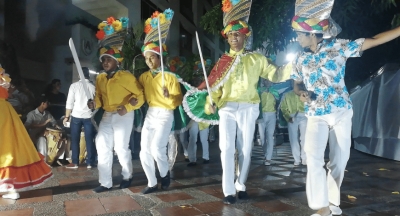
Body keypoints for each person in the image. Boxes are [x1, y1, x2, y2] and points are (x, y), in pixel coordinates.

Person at [290, 0, 400, 215]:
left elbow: (376, 40)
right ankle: (321, 208)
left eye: (299, 33)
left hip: (340, 111)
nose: (297, 38)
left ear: (312, 33)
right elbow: (296, 83)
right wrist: (301, 93)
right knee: (313, 156)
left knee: (340, 162)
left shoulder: (338, 47)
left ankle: (332, 201)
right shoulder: (300, 58)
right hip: (316, 113)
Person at [183, 0, 290, 205]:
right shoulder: (223, 61)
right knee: (226, 147)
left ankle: (241, 184)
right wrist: (210, 102)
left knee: (246, 149)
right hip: (227, 108)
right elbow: (215, 87)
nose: (233, 37)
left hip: (249, 107)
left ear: (244, 36)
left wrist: (293, 66)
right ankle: (228, 190)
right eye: (230, 34)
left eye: (237, 34)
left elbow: (275, 74)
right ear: (227, 38)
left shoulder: (257, 59)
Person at [88, 16, 144, 193]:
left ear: (117, 61)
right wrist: (93, 103)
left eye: (108, 60)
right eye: (103, 60)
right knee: (102, 145)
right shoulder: (100, 78)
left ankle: (127, 176)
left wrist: (129, 106)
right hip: (106, 114)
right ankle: (105, 182)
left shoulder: (126, 76)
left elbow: (140, 95)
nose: (105, 63)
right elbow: (99, 98)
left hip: (124, 114)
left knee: (120, 147)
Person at [137, 8, 183, 194]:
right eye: (147, 59)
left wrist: (168, 96)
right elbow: (138, 94)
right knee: (143, 151)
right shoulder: (144, 77)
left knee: (157, 148)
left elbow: (177, 100)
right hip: (151, 113)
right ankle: (151, 182)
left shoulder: (170, 77)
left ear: (159, 57)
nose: (149, 62)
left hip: (165, 114)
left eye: (152, 58)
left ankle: (165, 175)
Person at [0, 64, 52, 200]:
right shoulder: (2, 74)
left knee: (7, 150)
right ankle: (10, 188)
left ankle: (10, 188)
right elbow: (9, 91)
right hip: (5, 111)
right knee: (9, 148)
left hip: (4, 112)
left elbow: (9, 91)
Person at [63, 67, 96, 169]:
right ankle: (90, 162)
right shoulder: (93, 87)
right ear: (88, 75)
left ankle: (75, 162)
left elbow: (69, 103)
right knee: (89, 140)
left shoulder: (74, 86)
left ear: (79, 75)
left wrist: (66, 116)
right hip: (89, 116)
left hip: (76, 116)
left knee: (75, 139)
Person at [24, 95, 69, 164]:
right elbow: (26, 125)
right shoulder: (31, 114)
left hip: (47, 134)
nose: (48, 104)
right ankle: (43, 161)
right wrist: (43, 124)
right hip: (35, 135)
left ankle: (57, 159)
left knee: (62, 139)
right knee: (42, 139)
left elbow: (54, 122)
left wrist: (57, 126)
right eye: (47, 103)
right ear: (43, 103)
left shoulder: (47, 113)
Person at [280, 89, 307, 166]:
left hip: (304, 115)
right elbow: (283, 107)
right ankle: (297, 159)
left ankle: (304, 158)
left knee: (304, 138)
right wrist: (287, 117)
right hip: (292, 117)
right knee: (293, 139)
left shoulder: (305, 92)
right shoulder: (287, 94)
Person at [257, 82, 277, 166]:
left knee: (270, 136)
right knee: (262, 138)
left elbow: (278, 102)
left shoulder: (275, 91)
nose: (268, 81)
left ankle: (268, 158)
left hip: (272, 114)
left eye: (269, 80)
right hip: (262, 115)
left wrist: (273, 94)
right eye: (266, 80)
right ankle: (266, 154)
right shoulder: (259, 90)